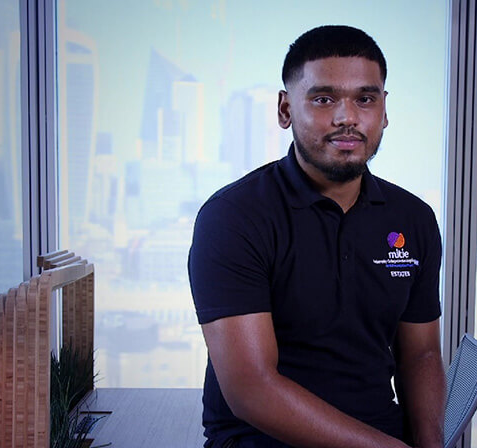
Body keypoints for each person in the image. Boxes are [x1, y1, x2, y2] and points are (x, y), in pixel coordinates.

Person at [188, 25, 445, 448]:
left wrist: (431, 444)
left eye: (365, 98)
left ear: (384, 110)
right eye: (324, 99)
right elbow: (251, 388)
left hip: (382, 434)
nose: (347, 117)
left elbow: (420, 354)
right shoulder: (234, 217)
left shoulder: (413, 218)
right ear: (286, 110)